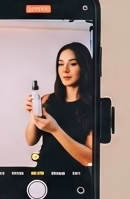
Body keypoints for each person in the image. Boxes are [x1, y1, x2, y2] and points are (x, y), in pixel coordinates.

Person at [25, 42, 95, 171]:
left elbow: (89, 159)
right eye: (60, 64)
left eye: (73, 64)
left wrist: (55, 130)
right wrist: (33, 115)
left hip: (75, 178)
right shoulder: (48, 99)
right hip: (44, 174)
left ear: (84, 67)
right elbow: (30, 140)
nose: (65, 70)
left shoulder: (94, 107)